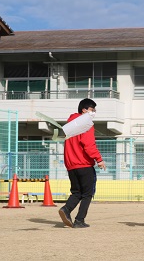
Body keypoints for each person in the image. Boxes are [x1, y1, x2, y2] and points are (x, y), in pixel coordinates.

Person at [58, 98, 106, 228]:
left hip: (70, 164)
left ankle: (66, 209)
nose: (94, 112)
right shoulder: (86, 124)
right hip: (84, 164)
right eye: (92, 110)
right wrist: (99, 159)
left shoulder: (69, 125)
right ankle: (79, 220)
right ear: (84, 110)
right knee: (87, 193)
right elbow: (89, 144)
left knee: (76, 192)